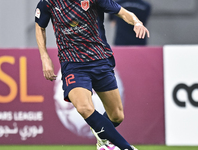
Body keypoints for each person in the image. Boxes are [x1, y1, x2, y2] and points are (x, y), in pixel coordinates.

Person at [35, 0, 149, 150]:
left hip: (100, 60)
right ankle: (126, 147)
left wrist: (137, 22)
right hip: (72, 63)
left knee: (117, 115)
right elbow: (40, 26)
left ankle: (102, 138)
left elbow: (122, 12)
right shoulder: (48, 2)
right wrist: (44, 57)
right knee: (84, 107)